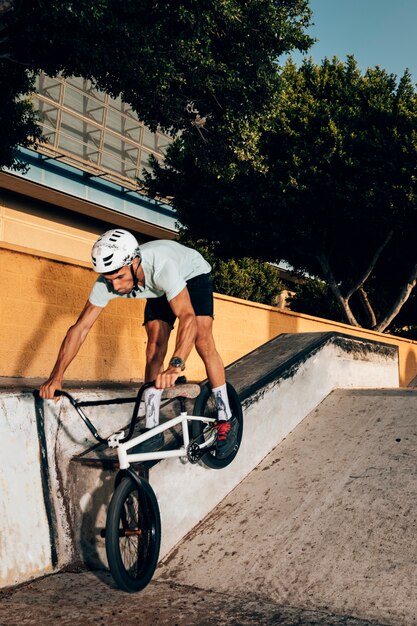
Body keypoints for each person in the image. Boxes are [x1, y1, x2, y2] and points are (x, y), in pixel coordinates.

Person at [39, 228, 238, 456]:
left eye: (119, 277)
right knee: (154, 347)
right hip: (156, 290)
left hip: (192, 275)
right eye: (109, 279)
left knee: (203, 339)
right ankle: (152, 428)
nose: (115, 287)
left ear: (134, 262)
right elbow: (80, 328)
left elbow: (187, 317)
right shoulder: (108, 282)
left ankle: (225, 417)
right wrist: (56, 377)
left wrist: (175, 366)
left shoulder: (162, 266)